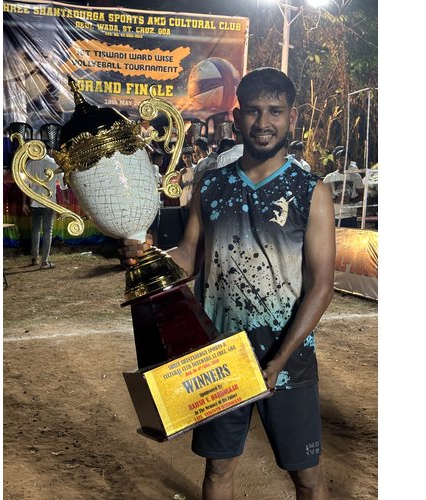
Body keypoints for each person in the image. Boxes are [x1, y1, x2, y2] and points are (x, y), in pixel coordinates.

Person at [120, 67, 335, 500]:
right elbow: (188, 257)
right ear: (237, 117)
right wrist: (149, 258)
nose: (263, 122)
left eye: (275, 111)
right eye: (253, 111)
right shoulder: (212, 185)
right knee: (218, 470)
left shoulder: (311, 192)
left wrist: (278, 361)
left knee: (307, 478)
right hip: (219, 355)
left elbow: (321, 286)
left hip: (288, 360)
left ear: (292, 117)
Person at [22, 142, 68, 269]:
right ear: (49, 150)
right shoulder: (54, 163)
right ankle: (45, 261)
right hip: (49, 202)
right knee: (48, 231)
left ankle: (34, 258)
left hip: (34, 202)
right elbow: (63, 185)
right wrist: (65, 198)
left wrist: (24, 203)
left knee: (35, 230)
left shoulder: (30, 163)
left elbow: (24, 185)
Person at [323, 146, 364, 228]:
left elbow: (362, 195)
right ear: (336, 161)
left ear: (349, 161)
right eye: (341, 159)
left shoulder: (356, 177)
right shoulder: (329, 178)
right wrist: (335, 200)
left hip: (351, 216)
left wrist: (351, 201)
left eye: (346, 159)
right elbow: (322, 197)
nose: (343, 161)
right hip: (334, 216)